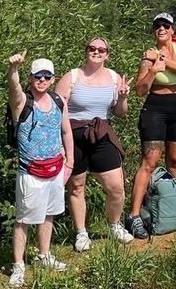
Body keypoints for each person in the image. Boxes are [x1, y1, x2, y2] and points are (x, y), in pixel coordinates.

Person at [54, 38, 133, 251]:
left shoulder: (115, 78)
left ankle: (114, 225)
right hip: (73, 137)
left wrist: (122, 98)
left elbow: (120, 113)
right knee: (77, 187)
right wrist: (60, 144)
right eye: (92, 48)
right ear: (86, 51)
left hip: (101, 134)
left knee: (116, 188)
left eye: (101, 50)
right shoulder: (71, 77)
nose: (96, 52)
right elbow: (55, 110)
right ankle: (81, 233)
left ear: (107, 54)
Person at [7, 52, 74, 287]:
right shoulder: (23, 102)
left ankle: (44, 256)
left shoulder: (58, 101)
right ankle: (18, 266)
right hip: (30, 172)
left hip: (55, 168)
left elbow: (66, 131)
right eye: (38, 76)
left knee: (49, 214)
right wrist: (13, 69)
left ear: (53, 79)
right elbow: (13, 89)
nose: (42, 80)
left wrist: (70, 163)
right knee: (23, 219)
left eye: (47, 76)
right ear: (30, 77)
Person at [126, 11, 176, 239]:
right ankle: (134, 215)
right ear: (153, 31)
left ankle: (172, 209)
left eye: (166, 25)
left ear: (173, 29)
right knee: (149, 162)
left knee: (175, 161)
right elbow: (139, 90)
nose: (161, 29)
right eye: (157, 26)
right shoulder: (148, 57)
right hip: (155, 109)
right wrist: (153, 70)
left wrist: (160, 58)